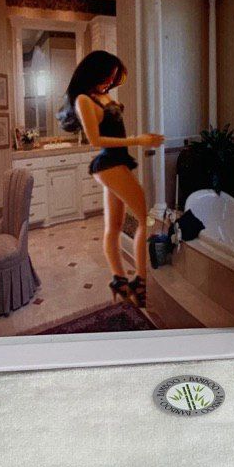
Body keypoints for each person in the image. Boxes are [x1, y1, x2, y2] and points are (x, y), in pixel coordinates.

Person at [60, 50, 163, 306]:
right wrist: (138, 140)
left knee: (114, 226)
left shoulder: (101, 95)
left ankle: (119, 280)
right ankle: (141, 281)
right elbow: (95, 140)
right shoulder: (83, 100)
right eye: (108, 75)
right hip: (109, 163)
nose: (110, 81)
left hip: (116, 163)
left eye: (113, 77)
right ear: (95, 72)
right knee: (145, 218)